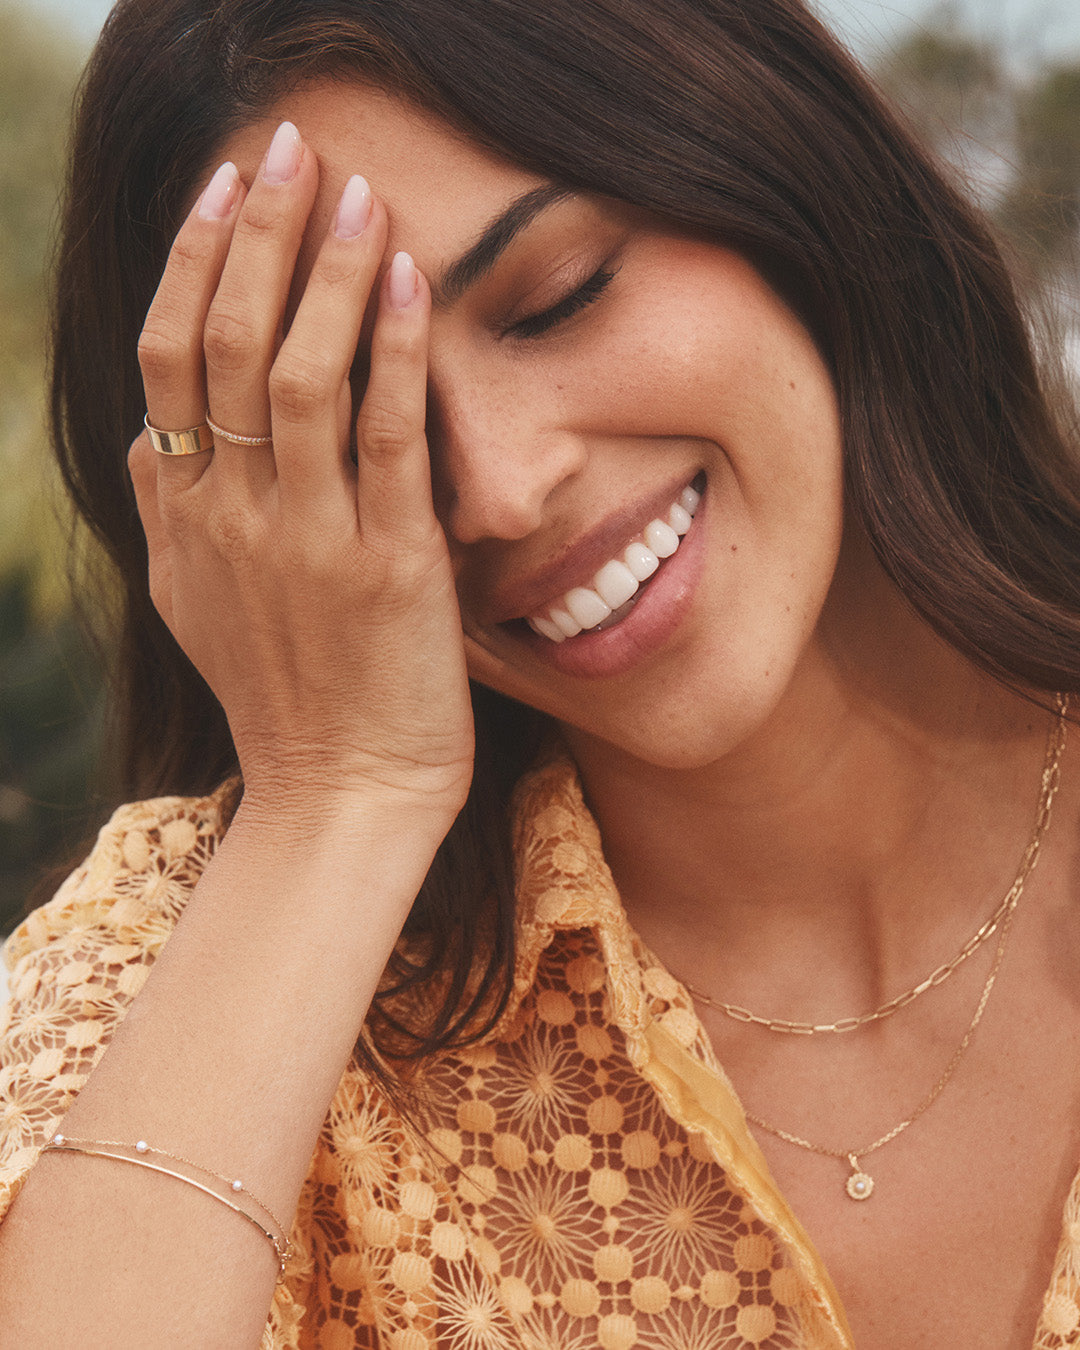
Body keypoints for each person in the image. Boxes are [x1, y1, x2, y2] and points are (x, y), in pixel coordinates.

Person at [2, 0, 1080, 1344]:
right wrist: (341, 798)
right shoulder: (177, 971)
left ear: (775, 159)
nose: (503, 491)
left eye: (556, 300)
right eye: (358, 428)